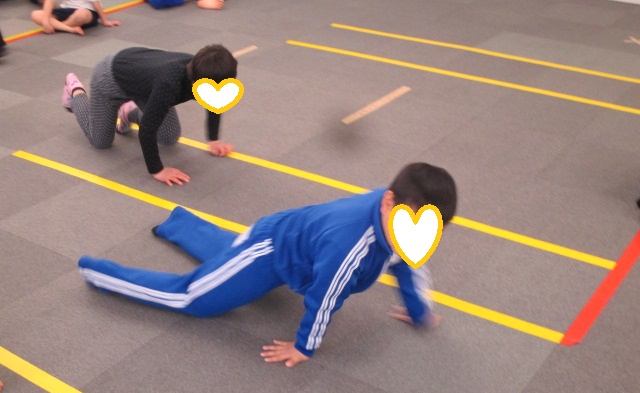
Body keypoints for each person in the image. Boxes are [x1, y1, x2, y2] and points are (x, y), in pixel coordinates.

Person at [77, 163, 458, 367]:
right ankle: (100, 274)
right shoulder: (350, 246)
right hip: (271, 249)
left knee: (230, 262)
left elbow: (408, 263)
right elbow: (326, 297)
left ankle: (181, 223)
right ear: (389, 202)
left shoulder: (400, 220)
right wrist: (304, 346)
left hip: (300, 251)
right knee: (195, 299)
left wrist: (419, 309)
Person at [62, 45, 236, 186]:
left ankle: (129, 112)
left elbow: (215, 102)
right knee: (101, 142)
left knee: (169, 137)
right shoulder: (171, 84)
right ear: (195, 81)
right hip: (110, 79)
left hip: (145, 85)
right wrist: (157, 170)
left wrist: (213, 139)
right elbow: (147, 130)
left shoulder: (208, 73)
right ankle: (75, 93)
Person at [31, 0, 121, 36]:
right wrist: (45, 21)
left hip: (87, 11)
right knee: (35, 14)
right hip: (66, 10)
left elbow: (96, 4)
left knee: (81, 14)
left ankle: (57, 26)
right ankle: (71, 29)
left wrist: (104, 20)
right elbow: (49, 1)